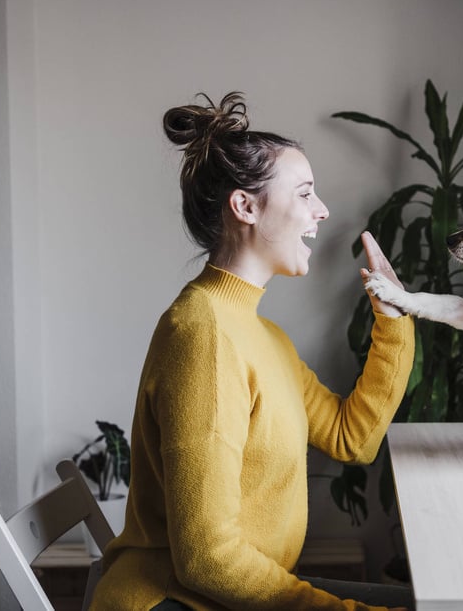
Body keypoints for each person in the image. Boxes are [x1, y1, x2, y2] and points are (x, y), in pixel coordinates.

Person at [90, 92, 415, 611]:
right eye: (305, 193)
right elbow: (206, 559)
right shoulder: (203, 334)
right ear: (244, 206)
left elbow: (354, 439)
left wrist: (393, 323)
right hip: (174, 601)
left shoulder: (263, 337)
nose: (322, 210)